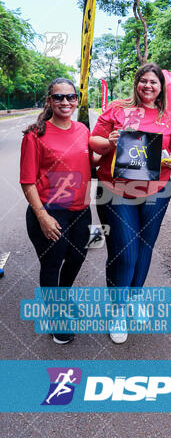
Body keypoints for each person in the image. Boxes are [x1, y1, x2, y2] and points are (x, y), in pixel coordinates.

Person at [90, 63, 171, 343]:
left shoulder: (167, 116)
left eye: (154, 82)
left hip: (156, 192)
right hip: (116, 191)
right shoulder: (116, 108)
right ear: (136, 83)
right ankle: (117, 310)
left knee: (144, 249)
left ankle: (133, 297)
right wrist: (110, 141)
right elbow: (94, 141)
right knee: (124, 253)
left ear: (161, 87)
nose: (148, 86)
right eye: (144, 81)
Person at [20, 78, 92, 345]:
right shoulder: (34, 135)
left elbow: (89, 161)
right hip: (50, 211)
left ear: (77, 100)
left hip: (81, 211)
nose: (65, 102)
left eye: (70, 97)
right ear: (49, 101)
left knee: (77, 258)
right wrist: (42, 216)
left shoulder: (83, 129)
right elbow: (27, 182)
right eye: (59, 97)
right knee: (52, 264)